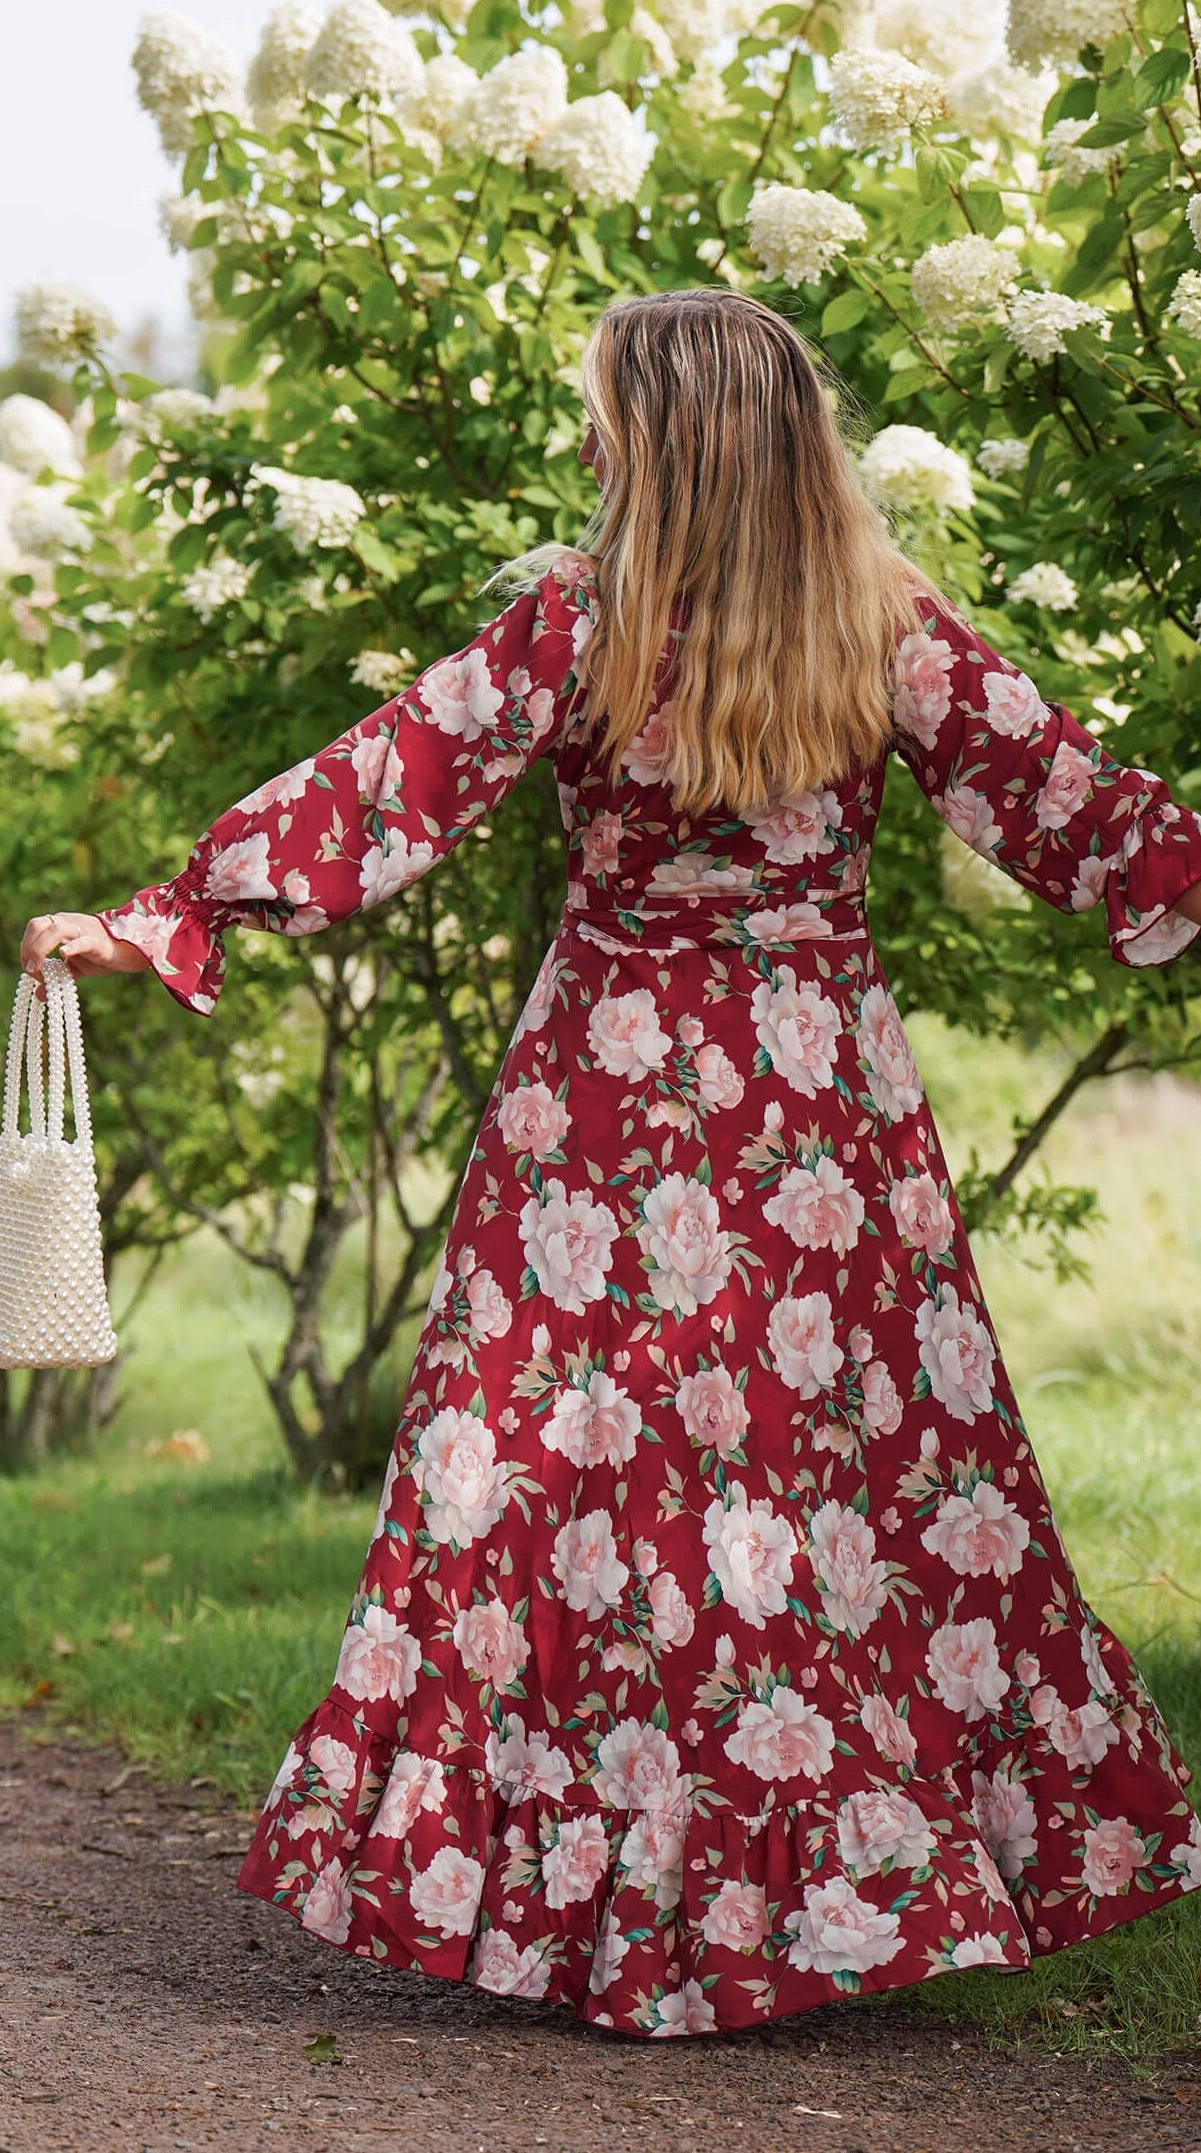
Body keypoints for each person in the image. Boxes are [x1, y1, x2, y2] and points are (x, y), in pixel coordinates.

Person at [21, 289, 1201, 2039]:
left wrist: (167, 915)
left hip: (600, 1112)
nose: (584, 442)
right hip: (823, 1125)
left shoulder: (579, 627)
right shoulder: (883, 623)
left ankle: (619, 1893)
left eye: (602, 416)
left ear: (664, 439)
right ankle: (804, 1883)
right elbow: (1076, 812)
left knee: (550, 1485)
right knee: (831, 1494)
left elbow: (382, 784)